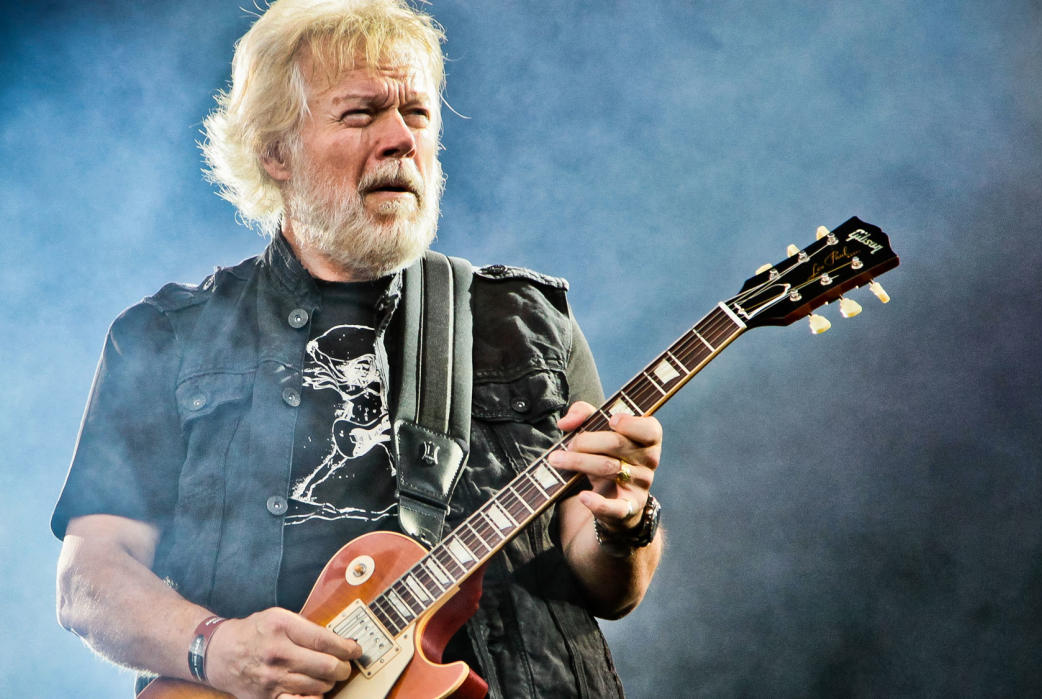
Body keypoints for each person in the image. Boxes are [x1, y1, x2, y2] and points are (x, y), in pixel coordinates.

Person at [51, 1, 664, 697]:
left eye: (419, 113)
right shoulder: (164, 336)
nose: (401, 138)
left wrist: (625, 518)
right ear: (274, 152)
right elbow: (89, 578)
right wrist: (215, 648)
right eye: (362, 113)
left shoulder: (526, 319)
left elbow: (612, 584)